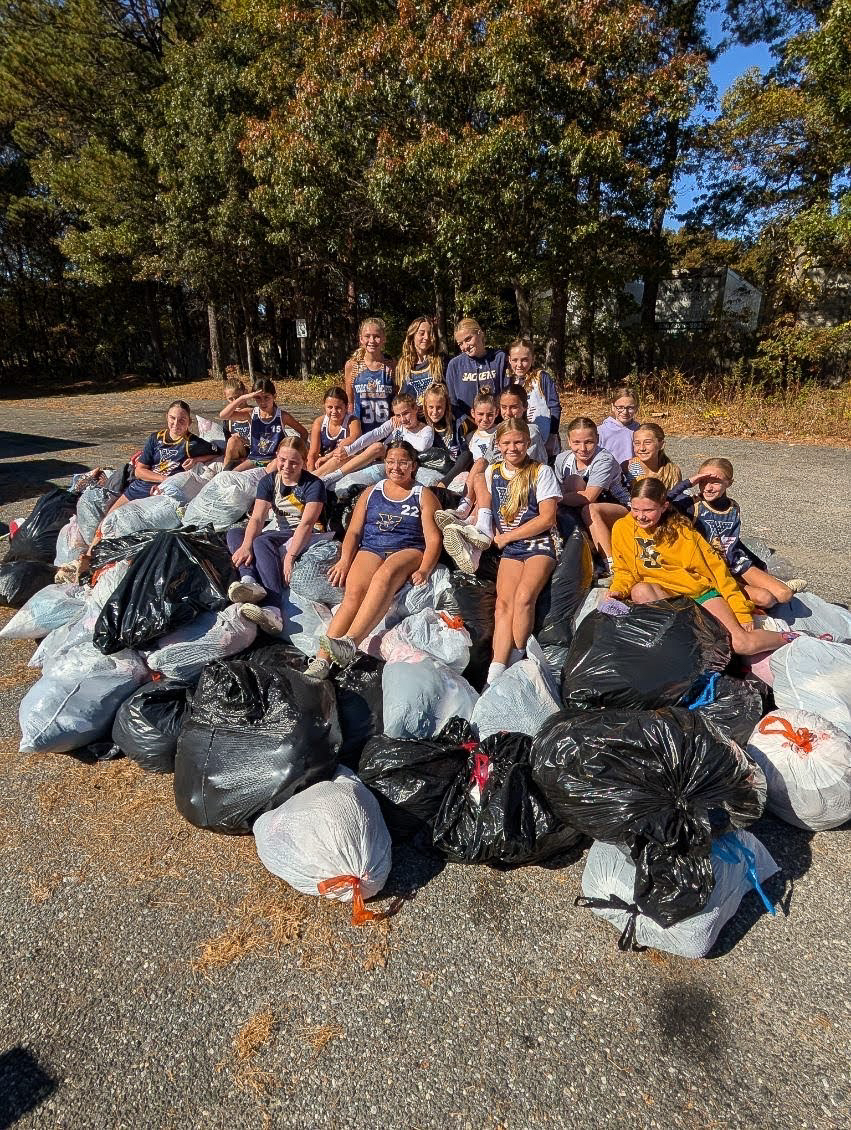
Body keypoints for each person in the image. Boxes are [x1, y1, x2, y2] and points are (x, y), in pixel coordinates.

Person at [609, 476, 794, 656]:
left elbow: (717, 570)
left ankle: (791, 638)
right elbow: (624, 569)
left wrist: (740, 610)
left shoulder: (681, 531)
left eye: (648, 510)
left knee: (740, 644)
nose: (640, 516)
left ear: (664, 506)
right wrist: (618, 589)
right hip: (666, 596)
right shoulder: (622, 528)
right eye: (635, 509)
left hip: (698, 594)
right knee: (640, 590)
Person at [304, 441, 441, 678]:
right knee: (353, 595)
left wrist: (426, 569)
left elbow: (433, 540)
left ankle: (350, 642)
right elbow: (354, 532)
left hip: (408, 549)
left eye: (402, 462)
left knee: (384, 576)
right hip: (372, 546)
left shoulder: (422, 495)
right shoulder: (371, 492)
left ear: (413, 466)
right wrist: (345, 560)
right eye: (390, 462)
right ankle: (321, 660)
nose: (396, 467)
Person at [667, 458, 806, 607]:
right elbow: (660, 501)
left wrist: (759, 564)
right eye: (703, 481)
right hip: (711, 568)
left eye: (715, 482)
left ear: (729, 483)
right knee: (766, 599)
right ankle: (738, 592)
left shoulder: (733, 507)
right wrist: (689, 482)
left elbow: (733, 540)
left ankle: (746, 586)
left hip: (735, 562)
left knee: (784, 595)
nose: (707, 488)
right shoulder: (691, 505)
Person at [484, 419, 560, 685]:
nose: (512, 448)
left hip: (539, 543)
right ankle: (495, 671)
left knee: (524, 597)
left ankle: (517, 657)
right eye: (506, 443)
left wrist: (507, 537)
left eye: (518, 442)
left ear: (528, 443)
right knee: (502, 605)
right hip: (511, 546)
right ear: (498, 445)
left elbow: (547, 518)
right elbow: (487, 509)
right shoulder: (492, 471)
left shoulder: (542, 471)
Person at [225, 436, 326, 635]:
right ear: (276, 458)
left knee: (262, 541)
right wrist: (245, 545)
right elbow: (257, 518)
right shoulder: (269, 481)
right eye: (282, 460)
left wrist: (290, 557)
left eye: (294, 462)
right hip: (280, 530)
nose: (287, 466)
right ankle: (248, 581)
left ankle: (273, 606)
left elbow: (306, 523)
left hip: (308, 533)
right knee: (236, 532)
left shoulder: (314, 485)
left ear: (303, 463)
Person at [102, 400, 218, 519]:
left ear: (189, 422)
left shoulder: (193, 443)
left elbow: (218, 453)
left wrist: (196, 460)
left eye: (182, 420)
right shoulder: (155, 438)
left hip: (163, 493)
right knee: (106, 521)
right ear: (166, 417)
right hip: (141, 486)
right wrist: (164, 479)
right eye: (172, 418)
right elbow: (139, 471)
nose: (176, 423)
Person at [554, 417, 629, 577]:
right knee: (572, 483)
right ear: (568, 441)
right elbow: (561, 492)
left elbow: (589, 497)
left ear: (597, 439)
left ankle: (611, 564)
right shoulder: (562, 459)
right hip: (582, 506)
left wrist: (554, 499)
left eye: (589, 442)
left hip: (619, 507)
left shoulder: (604, 459)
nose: (583, 448)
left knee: (590, 509)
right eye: (576, 443)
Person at [433, 392, 499, 569]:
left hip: (490, 475)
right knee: (477, 481)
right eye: (481, 414)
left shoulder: (499, 433)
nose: (485, 419)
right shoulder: (469, 437)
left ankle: (463, 509)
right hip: (475, 481)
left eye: (490, 414)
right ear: (473, 413)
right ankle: (472, 554)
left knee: (480, 464)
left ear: (497, 413)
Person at [318, 392, 434, 489]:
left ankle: (334, 477)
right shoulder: (395, 422)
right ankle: (311, 478)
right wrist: (349, 450)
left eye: (406, 413)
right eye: (398, 415)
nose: (402, 419)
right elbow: (375, 434)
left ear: (415, 409)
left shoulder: (426, 429)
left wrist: (404, 430)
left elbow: (422, 446)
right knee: (341, 458)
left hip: (394, 461)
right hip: (376, 457)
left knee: (378, 446)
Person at [220, 377, 308, 470]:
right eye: (258, 398)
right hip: (254, 459)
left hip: (273, 459)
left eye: (266, 397)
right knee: (230, 474)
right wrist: (242, 398)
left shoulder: (282, 416)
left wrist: (299, 454)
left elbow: (304, 432)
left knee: (267, 475)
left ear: (274, 396)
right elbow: (223, 415)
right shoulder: (251, 413)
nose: (263, 402)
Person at [506, 338, 561, 457]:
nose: (519, 365)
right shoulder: (509, 381)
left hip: (545, 439)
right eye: (515, 360)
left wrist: (553, 435)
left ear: (533, 359)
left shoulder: (541, 378)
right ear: (509, 360)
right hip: (518, 444)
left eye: (525, 360)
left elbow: (554, 407)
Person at [444, 317, 506, 420]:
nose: (465, 347)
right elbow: (452, 402)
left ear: (480, 333)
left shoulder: (499, 359)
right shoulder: (454, 365)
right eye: (460, 344)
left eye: (468, 339)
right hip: (467, 428)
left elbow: (507, 395)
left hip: (497, 424)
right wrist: (466, 423)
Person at [344, 316, 396, 433]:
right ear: (361, 339)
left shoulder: (391, 364)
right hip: (360, 430)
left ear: (384, 339)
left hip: (387, 430)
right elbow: (350, 403)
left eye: (376, 336)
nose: (371, 341)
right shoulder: (352, 365)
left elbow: (397, 397)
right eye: (367, 336)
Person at [421, 383, 475, 488]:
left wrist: (444, 482)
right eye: (431, 407)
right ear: (425, 406)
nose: (435, 412)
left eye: (439, 407)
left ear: (447, 406)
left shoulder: (460, 423)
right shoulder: (420, 424)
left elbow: (466, 456)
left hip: (453, 474)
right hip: (430, 471)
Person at [307, 386, 361, 473]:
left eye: (338, 408)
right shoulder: (319, 423)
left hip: (344, 466)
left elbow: (354, 440)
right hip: (323, 466)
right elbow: (313, 454)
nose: (334, 411)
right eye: (330, 407)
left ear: (346, 407)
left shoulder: (353, 422)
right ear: (324, 406)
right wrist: (310, 474)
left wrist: (327, 457)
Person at [397, 315, 445, 404]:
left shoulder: (441, 362)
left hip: (435, 415)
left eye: (430, 333)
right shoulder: (402, 366)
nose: (426, 337)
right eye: (422, 333)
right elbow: (398, 399)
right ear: (412, 335)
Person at [621, 422, 682, 490]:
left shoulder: (672, 472)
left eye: (647, 443)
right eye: (637, 443)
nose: (642, 448)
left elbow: (678, 495)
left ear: (661, 444)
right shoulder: (629, 467)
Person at [598, 386, 641, 463]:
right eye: (620, 407)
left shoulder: (640, 430)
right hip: (609, 472)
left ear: (636, 408)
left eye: (630, 408)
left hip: (633, 472)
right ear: (613, 407)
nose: (625, 412)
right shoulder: (601, 431)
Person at [220, 375, 252, 460]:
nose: (236, 403)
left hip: (254, 453)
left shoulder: (254, 412)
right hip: (237, 454)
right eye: (231, 399)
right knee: (232, 441)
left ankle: (225, 471)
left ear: (245, 393)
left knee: (233, 440)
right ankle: (225, 471)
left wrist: (245, 441)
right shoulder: (228, 420)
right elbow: (228, 446)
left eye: (238, 398)